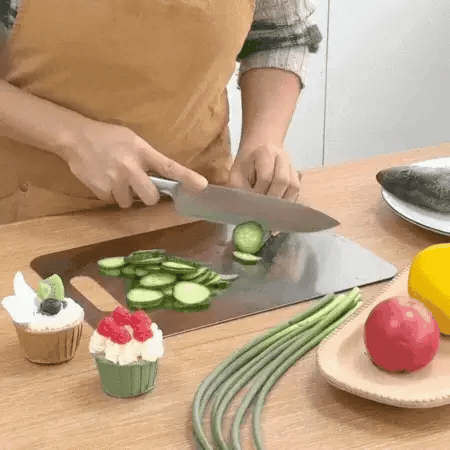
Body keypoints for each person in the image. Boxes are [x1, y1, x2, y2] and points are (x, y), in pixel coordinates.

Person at [0, 0, 322, 225]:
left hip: (192, 208)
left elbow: (281, 34)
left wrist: (262, 141)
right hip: (30, 216)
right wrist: (74, 138)